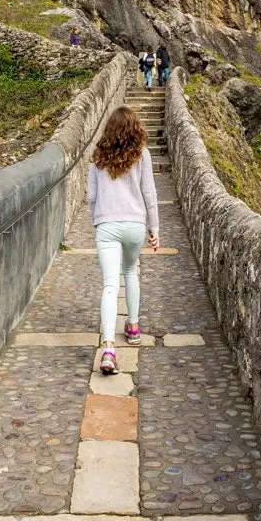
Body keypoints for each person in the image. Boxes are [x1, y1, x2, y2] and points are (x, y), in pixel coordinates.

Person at [87, 106, 159, 374]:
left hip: (107, 224)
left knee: (109, 284)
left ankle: (108, 348)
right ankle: (134, 327)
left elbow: (91, 197)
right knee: (130, 272)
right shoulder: (142, 155)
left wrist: (99, 219)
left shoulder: (98, 158)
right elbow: (149, 193)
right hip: (135, 225)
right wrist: (155, 228)